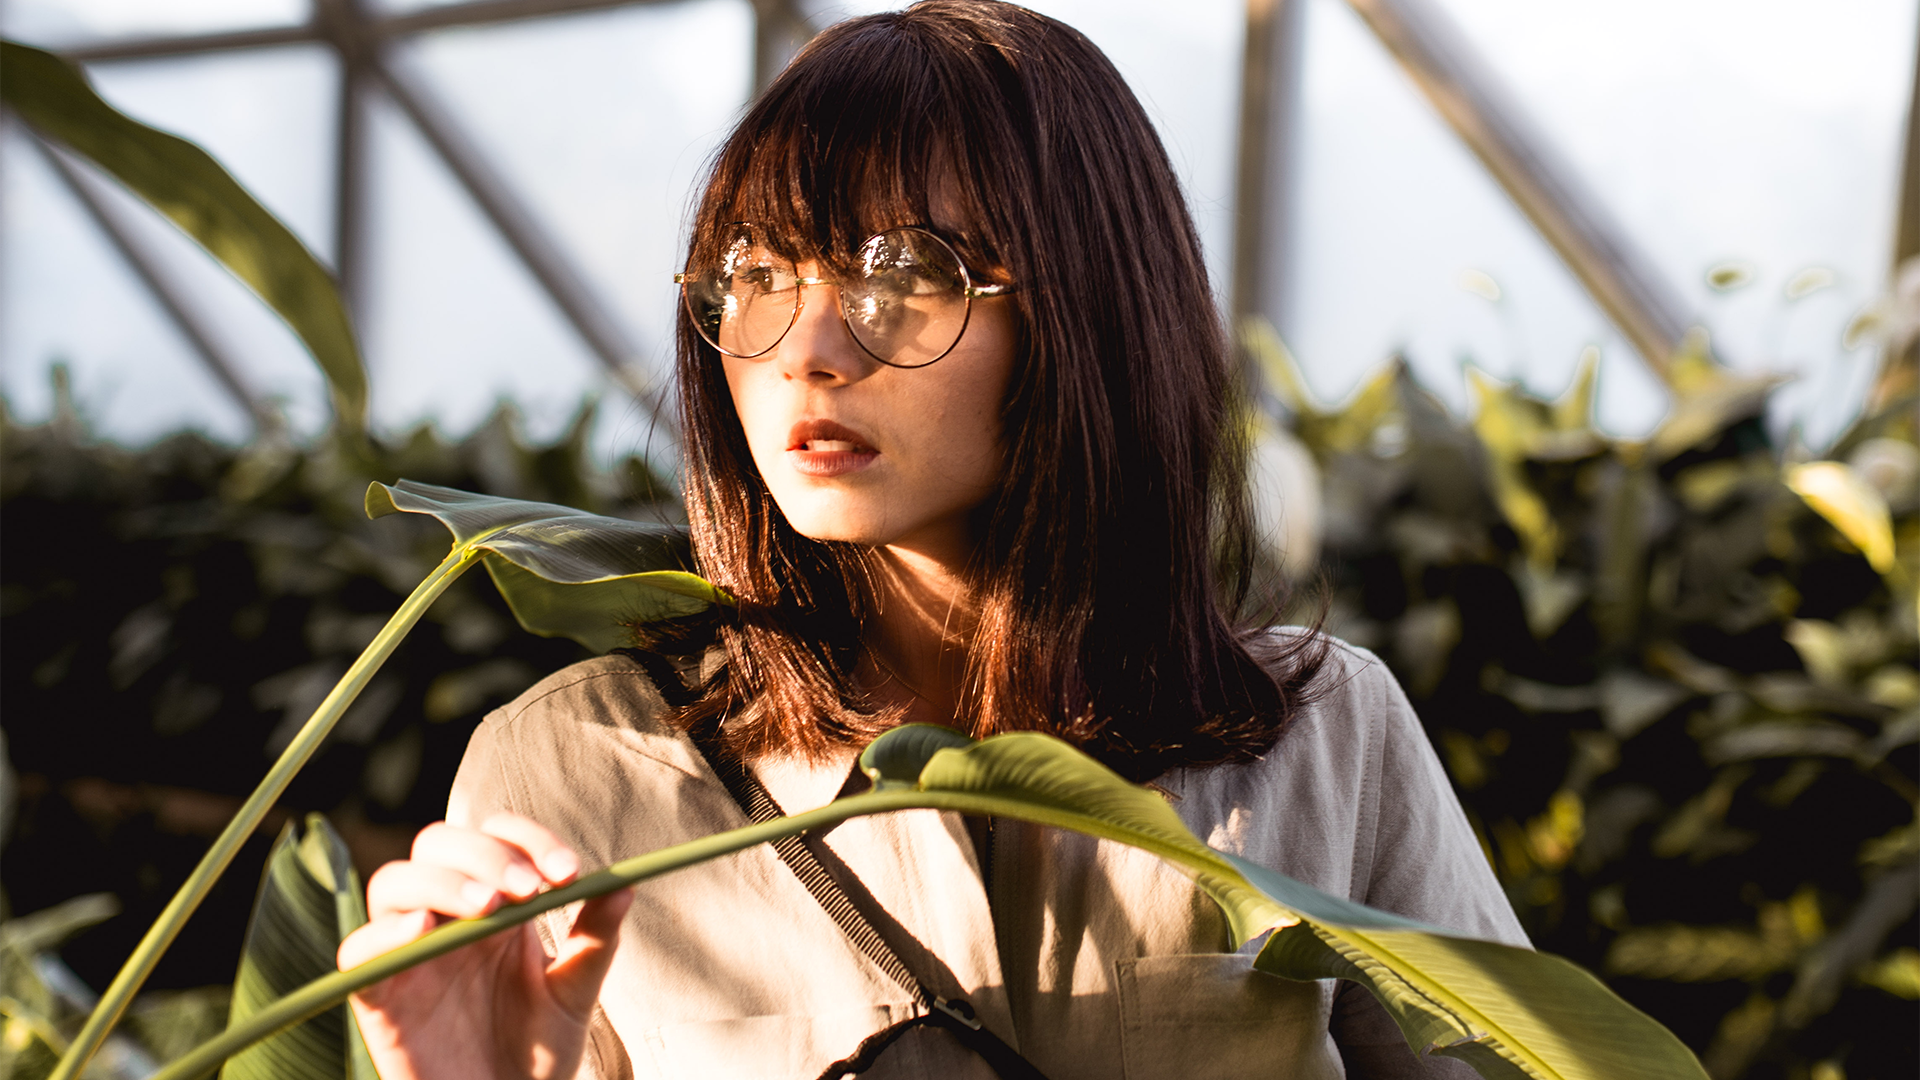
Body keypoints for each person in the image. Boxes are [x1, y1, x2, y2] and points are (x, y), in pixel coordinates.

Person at [336, 3, 1526, 1078]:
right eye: (756, 271)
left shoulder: (1320, 740)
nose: (806, 348)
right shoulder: (574, 773)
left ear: (1088, 309)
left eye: (904, 270)